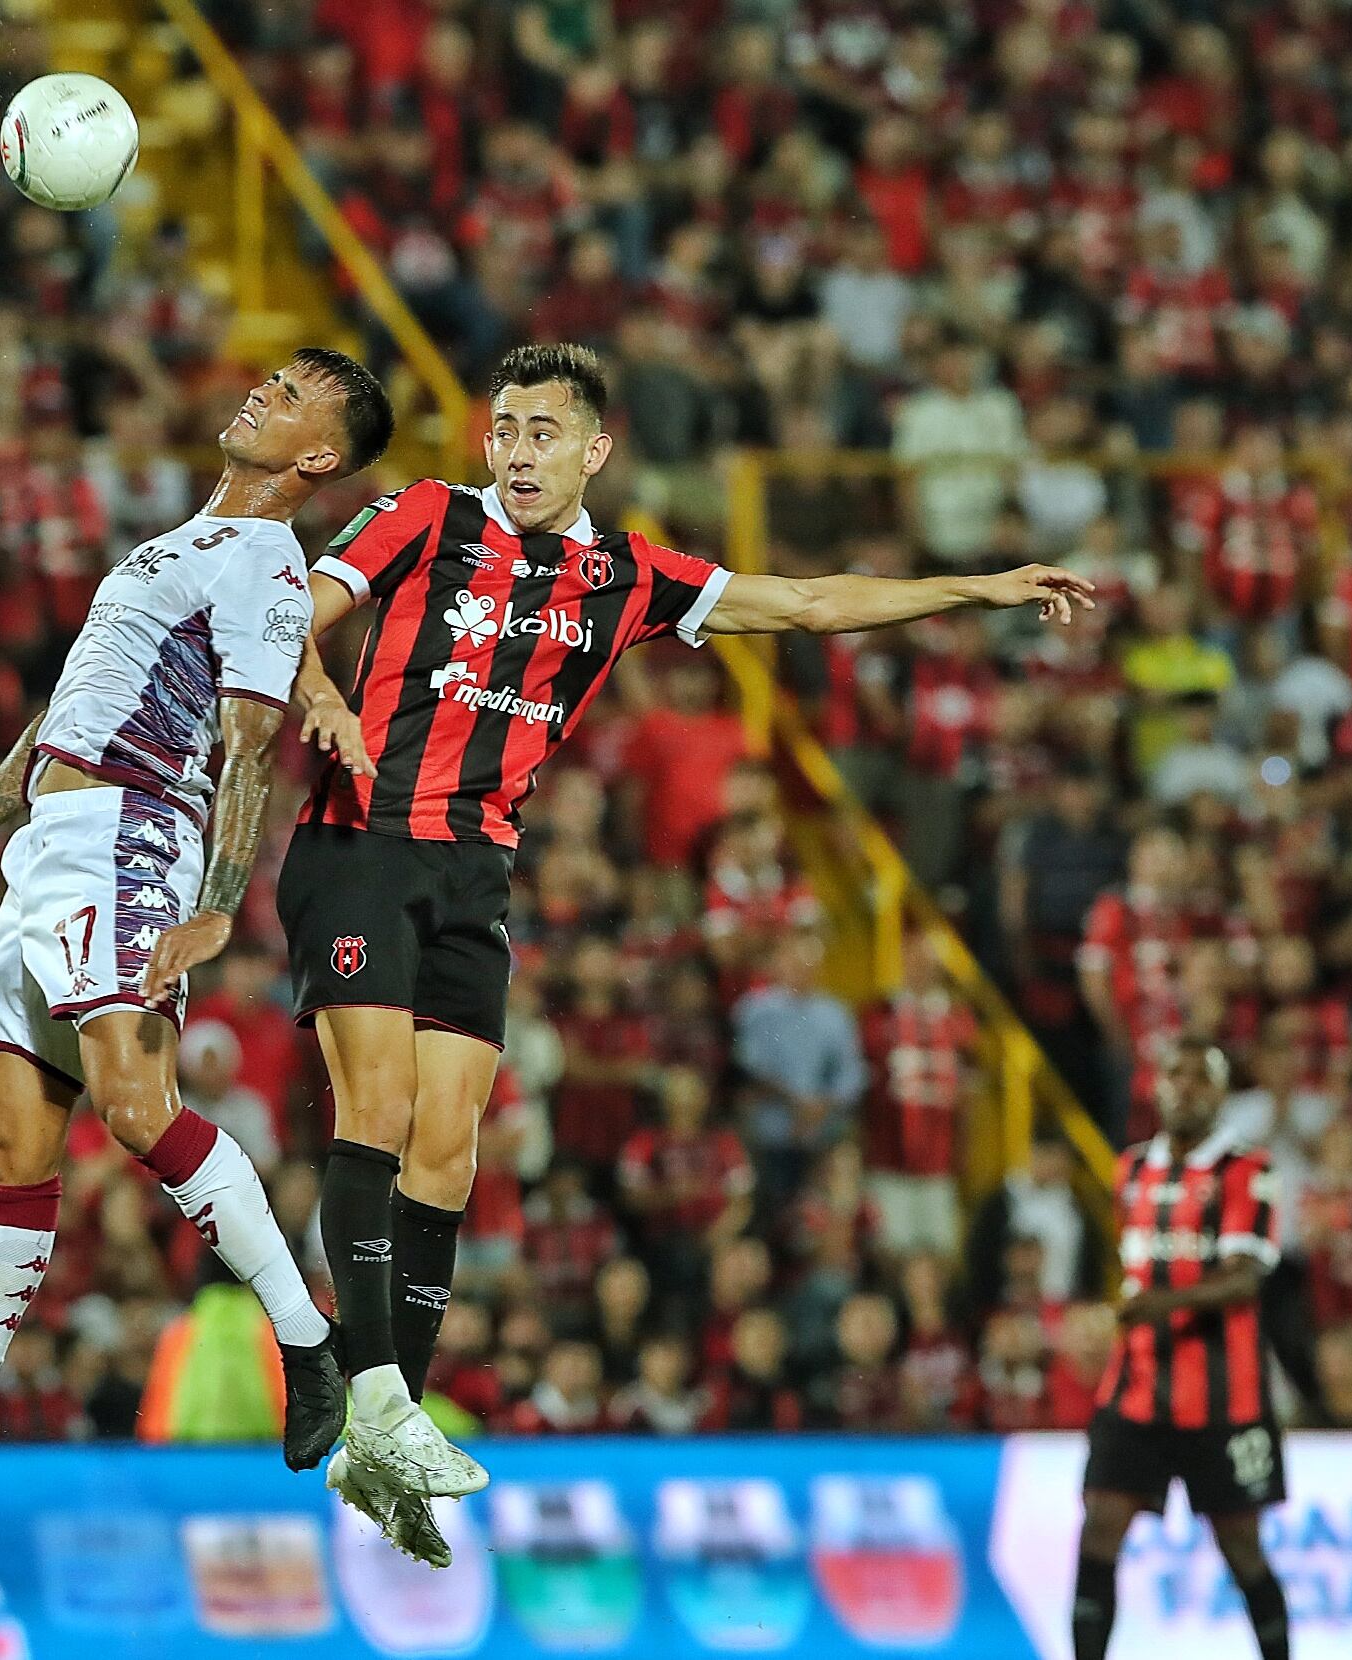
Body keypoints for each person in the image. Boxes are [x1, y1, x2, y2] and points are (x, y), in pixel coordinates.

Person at [282, 341, 1095, 1565]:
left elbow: (809, 602)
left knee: (450, 1144)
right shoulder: (423, 515)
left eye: (543, 430)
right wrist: (322, 694)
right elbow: (291, 608)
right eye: (503, 427)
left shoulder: (626, 574)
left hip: (476, 868)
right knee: (381, 1106)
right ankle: (379, 1397)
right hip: (363, 839)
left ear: (595, 448)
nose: (516, 450)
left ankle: (387, 1442)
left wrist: (979, 589)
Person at [0, 351, 396, 1500]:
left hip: (129, 837)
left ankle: (310, 1342)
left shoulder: (270, 564)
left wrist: (220, 905)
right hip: (48, 844)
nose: (259, 395)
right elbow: (74, 699)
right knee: (9, 1144)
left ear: (319, 456)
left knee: (137, 1108)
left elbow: (248, 739)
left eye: (290, 397)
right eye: (269, 380)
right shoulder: (179, 542)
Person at [1075, 1037, 1290, 1660]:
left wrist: (1154, 1307)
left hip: (1225, 1394)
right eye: (1176, 1074)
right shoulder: (1131, 1169)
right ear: (1156, 1086)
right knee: (1100, 1528)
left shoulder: (1248, 1170)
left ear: (1221, 1095)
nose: (1187, 1088)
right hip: (1136, 1386)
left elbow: (1246, 1278)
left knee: (1242, 1546)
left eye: (1202, 1078)